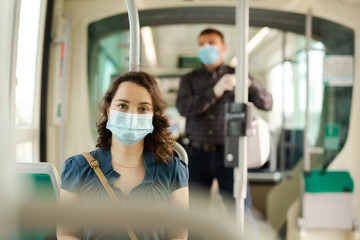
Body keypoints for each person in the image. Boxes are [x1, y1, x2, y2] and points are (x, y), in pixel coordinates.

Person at [57, 71, 189, 240]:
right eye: (122, 106)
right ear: (109, 110)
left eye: (143, 109)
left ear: (153, 117)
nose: (132, 116)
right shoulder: (78, 167)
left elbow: (178, 235)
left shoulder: (172, 171)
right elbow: (67, 232)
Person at [176, 28, 272, 213]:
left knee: (240, 212)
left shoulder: (238, 74)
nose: (206, 48)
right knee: (195, 215)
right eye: (202, 44)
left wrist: (250, 83)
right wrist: (215, 91)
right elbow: (184, 108)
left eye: (211, 43)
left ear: (223, 47)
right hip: (197, 153)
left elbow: (267, 103)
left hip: (231, 153)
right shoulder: (190, 79)